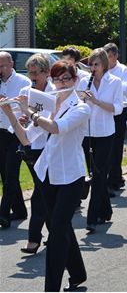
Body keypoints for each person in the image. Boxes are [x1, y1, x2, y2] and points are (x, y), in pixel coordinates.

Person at [1, 60, 90, 291]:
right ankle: (78, 273)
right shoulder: (50, 106)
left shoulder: (81, 108)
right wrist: (10, 112)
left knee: (58, 229)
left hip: (71, 175)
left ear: (75, 80)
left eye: (66, 79)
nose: (61, 83)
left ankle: (51, 288)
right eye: (57, 79)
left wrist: (29, 111)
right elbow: (26, 139)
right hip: (47, 173)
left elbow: (56, 128)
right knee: (57, 224)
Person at [78, 48, 123, 233]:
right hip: (86, 133)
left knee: (98, 174)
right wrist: (81, 100)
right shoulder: (83, 81)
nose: (93, 68)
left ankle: (92, 217)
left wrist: (96, 102)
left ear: (104, 65)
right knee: (94, 172)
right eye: (91, 64)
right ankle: (106, 210)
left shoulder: (115, 82)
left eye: (96, 64)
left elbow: (118, 108)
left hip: (105, 133)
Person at [18, 54, 55, 253]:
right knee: (43, 191)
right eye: (29, 72)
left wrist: (33, 118)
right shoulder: (25, 91)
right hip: (30, 147)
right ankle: (54, 232)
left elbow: (53, 124)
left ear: (46, 72)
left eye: (35, 72)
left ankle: (35, 238)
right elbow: (17, 119)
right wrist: (21, 119)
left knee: (41, 192)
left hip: (49, 146)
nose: (32, 76)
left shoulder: (54, 92)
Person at [0, 51, 31, 228]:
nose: (1, 69)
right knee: (5, 174)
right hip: (0, 132)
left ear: (11, 64)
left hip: (15, 132)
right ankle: (19, 210)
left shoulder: (23, 83)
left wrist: (9, 105)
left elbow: (26, 108)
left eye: (3, 65)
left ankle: (3, 214)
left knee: (11, 174)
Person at [103, 43, 127, 195]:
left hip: (120, 111)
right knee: (105, 146)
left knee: (116, 145)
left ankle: (114, 179)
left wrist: (112, 85)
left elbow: (126, 89)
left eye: (109, 57)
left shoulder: (123, 70)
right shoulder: (101, 70)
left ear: (115, 56)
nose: (107, 60)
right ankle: (114, 177)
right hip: (104, 110)